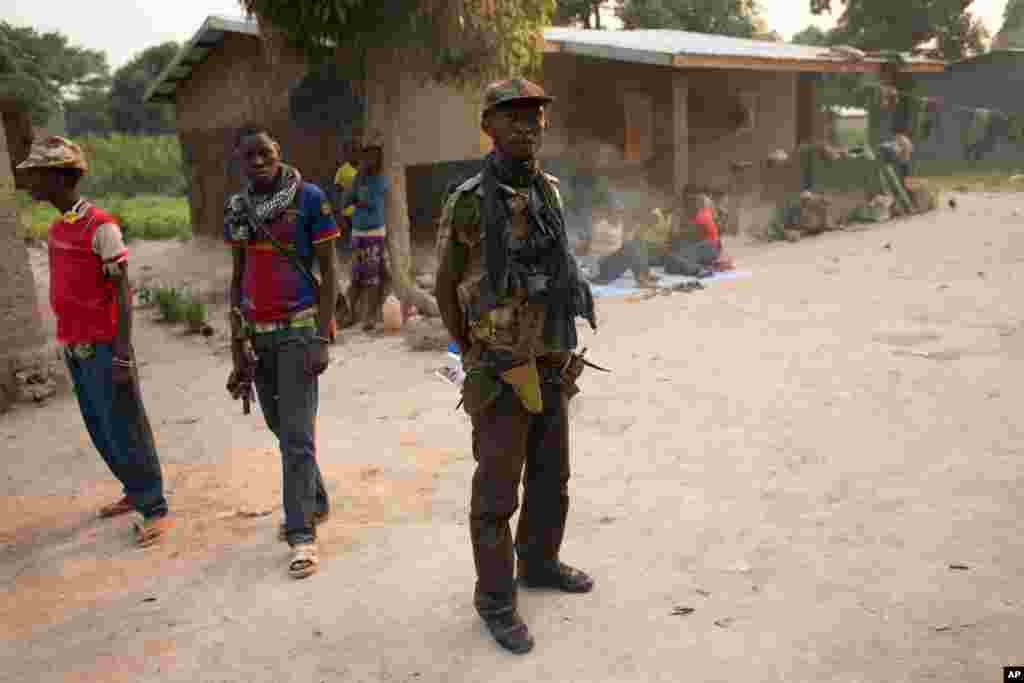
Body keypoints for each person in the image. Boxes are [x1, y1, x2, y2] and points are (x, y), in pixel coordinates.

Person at [434, 78, 598, 655]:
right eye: (513, 116)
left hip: (550, 358)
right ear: (489, 126)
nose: (528, 125)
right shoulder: (471, 201)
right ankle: (496, 601)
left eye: (536, 116)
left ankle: (540, 563)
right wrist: (474, 352)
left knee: (552, 478)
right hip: (501, 367)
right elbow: (445, 287)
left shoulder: (548, 190)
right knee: (497, 494)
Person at [18, 137, 171, 547]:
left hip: (105, 346)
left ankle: (153, 506)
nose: (28, 183)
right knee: (101, 426)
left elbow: (121, 291)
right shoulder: (56, 228)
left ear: (57, 177)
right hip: (75, 345)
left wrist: (122, 351)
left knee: (126, 424)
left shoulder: (100, 225)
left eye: (34, 175)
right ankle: (132, 489)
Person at [224, 124, 338, 579]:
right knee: (282, 427)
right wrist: (236, 347)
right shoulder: (237, 208)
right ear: (240, 162)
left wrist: (322, 337)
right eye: (249, 156)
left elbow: (329, 273)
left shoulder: (310, 198)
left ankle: (301, 535)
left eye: (265, 153)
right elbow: (236, 278)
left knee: (294, 435)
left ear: (278, 153)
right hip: (257, 335)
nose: (258, 162)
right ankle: (315, 499)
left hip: (298, 330)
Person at [346, 130, 390, 332]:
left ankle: (369, 317)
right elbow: (347, 199)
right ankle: (349, 314)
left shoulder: (380, 179)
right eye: (365, 155)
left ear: (378, 158)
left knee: (372, 277)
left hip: (374, 233)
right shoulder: (358, 178)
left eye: (372, 155)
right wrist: (355, 197)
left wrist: (357, 199)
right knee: (355, 276)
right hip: (357, 232)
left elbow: (369, 202)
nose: (367, 159)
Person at [589, 197, 659, 287]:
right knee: (630, 246)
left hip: (611, 263)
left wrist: (635, 229)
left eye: (621, 212)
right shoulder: (602, 225)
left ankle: (645, 274)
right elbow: (598, 249)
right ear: (609, 212)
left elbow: (625, 242)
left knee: (639, 242)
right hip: (601, 268)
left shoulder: (619, 224)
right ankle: (641, 278)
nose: (620, 214)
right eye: (617, 211)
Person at [663, 194, 722, 278]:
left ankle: (698, 269)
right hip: (709, 247)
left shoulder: (701, 217)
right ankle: (699, 268)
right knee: (672, 260)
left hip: (708, 248)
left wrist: (676, 222)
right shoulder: (705, 213)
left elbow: (690, 237)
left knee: (671, 260)